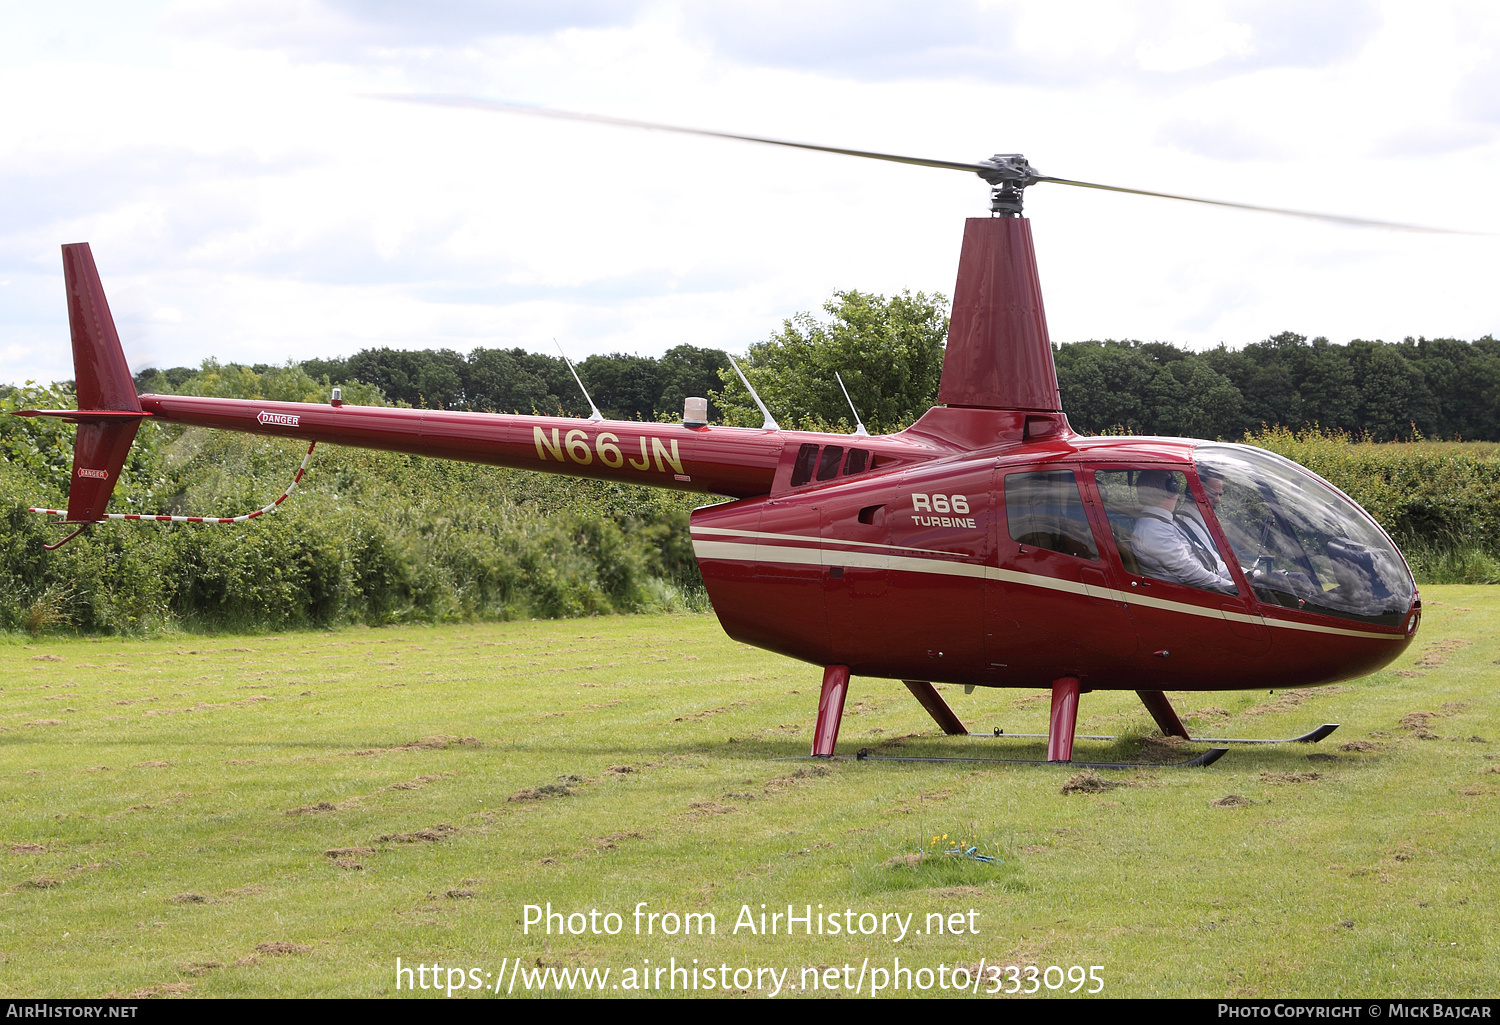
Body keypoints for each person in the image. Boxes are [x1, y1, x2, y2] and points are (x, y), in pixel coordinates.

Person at [1131, 469, 1236, 593]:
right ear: (1172, 490)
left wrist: (1244, 577)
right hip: (1186, 596)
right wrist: (1229, 586)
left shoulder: (1166, 523)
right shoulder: (1154, 529)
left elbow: (1207, 560)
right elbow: (1188, 571)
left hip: (1202, 588)